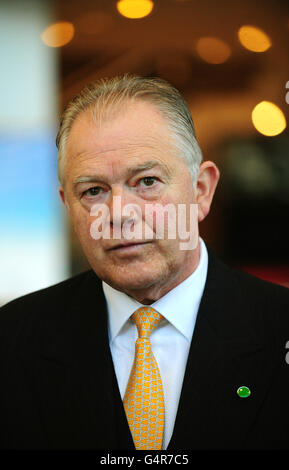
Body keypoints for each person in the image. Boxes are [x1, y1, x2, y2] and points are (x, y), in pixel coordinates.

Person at [0, 75, 288, 451]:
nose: (119, 214)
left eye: (147, 181)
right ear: (67, 207)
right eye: (93, 191)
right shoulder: (12, 341)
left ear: (201, 191)